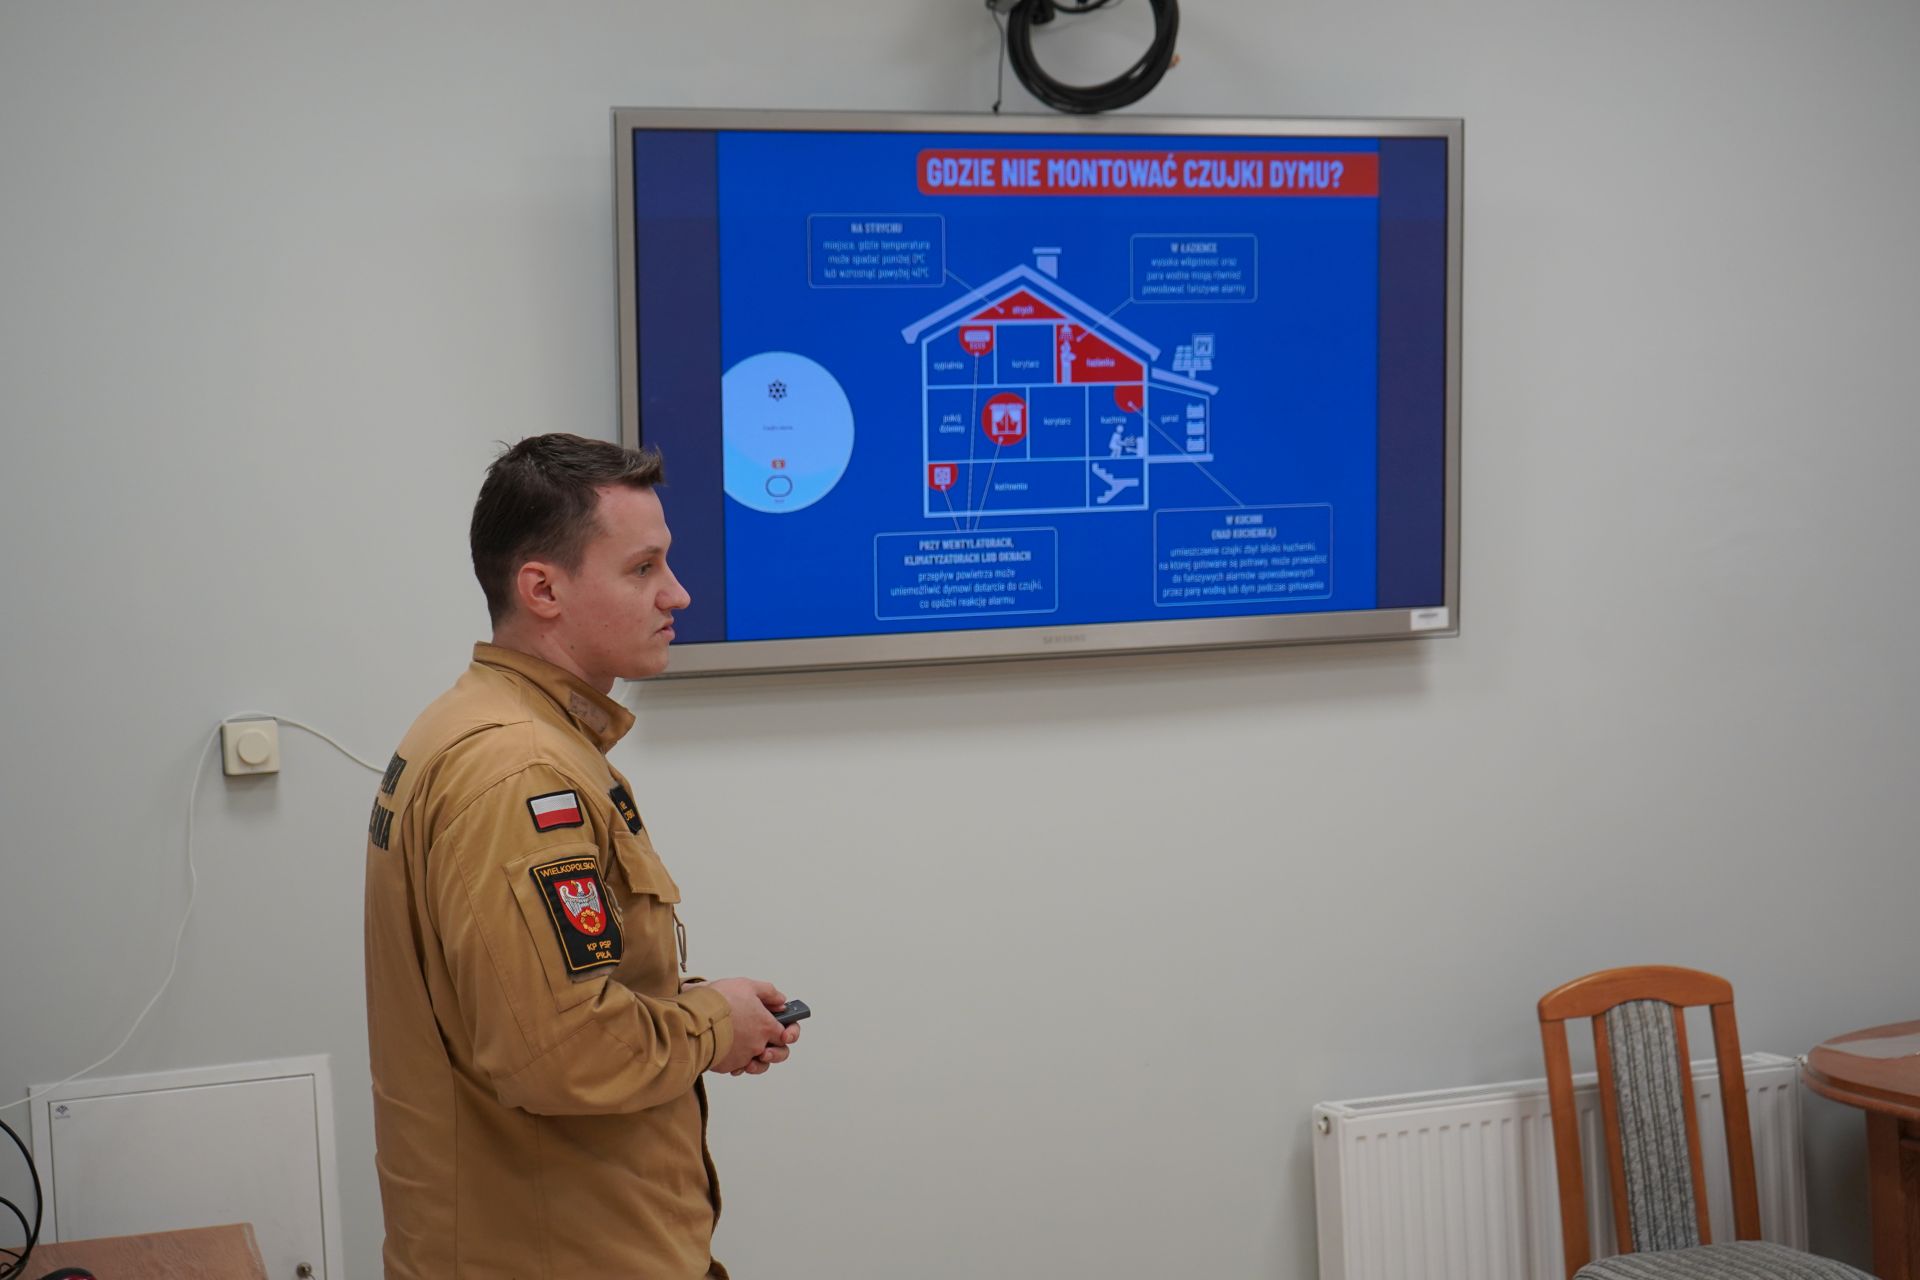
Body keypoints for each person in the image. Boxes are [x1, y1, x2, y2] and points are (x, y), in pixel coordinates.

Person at [363, 433, 798, 1278]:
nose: (677, 593)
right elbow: (560, 1054)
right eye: (642, 569)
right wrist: (714, 1026)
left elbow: (534, 1000)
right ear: (543, 589)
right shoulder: (519, 770)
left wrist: (697, 1006)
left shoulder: (485, 726)